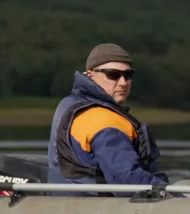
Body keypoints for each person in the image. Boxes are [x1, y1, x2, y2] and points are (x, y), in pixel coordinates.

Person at [47, 43, 168, 187]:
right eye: (113, 75)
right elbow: (127, 179)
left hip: (67, 200)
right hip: (96, 203)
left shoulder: (68, 104)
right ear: (91, 76)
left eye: (128, 75)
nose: (123, 83)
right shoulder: (103, 121)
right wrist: (172, 194)